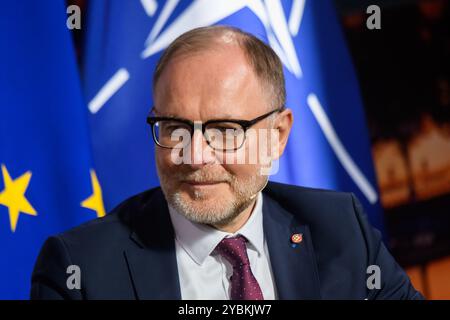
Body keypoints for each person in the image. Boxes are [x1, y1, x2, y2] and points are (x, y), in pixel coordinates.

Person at [30, 26, 423, 300]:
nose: (195, 155)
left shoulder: (341, 230)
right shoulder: (79, 270)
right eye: (174, 127)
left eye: (224, 130)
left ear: (278, 135)